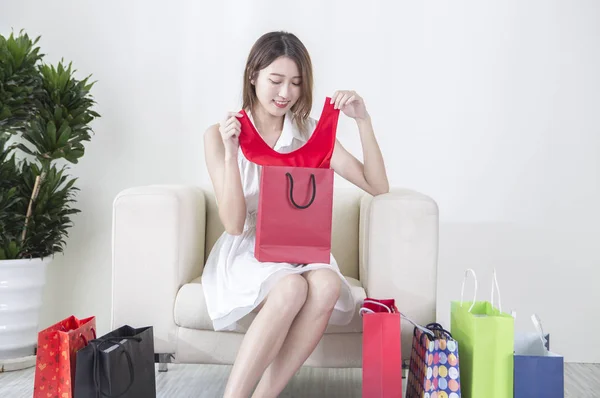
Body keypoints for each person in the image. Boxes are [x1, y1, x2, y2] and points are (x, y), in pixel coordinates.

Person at [202, 31, 389, 398]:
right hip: (248, 248)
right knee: (290, 288)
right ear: (253, 75)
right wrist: (229, 153)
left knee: (326, 284)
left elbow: (377, 185)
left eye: (296, 83)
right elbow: (234, 224)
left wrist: (362, 120)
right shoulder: (220, 134)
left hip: (299, 245)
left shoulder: (308, 134)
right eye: (276, 80)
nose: (285, 92)